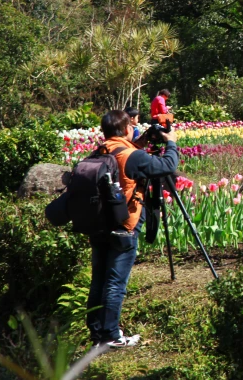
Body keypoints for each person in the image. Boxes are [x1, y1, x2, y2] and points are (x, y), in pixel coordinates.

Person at [88, 110, 179, 349]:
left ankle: (98, 334)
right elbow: (168, 165)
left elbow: (124, 157)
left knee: (99, 280)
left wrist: (143, 141)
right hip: (124, 226)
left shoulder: (100, 151)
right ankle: (111, 336)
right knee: (116, 283)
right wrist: (171, 144)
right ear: (127, 128)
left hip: (98, 226)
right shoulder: (133, 156)